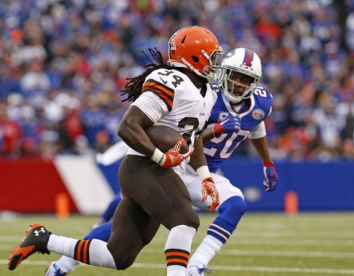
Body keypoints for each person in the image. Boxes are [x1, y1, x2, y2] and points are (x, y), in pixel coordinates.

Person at [8, 26, 222, 276]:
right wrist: (160, 156)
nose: (215, 64)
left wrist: (205, 176)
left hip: (160, 171)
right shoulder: (172, 81)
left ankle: (44, 239)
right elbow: (128, 126)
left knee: (118, 255)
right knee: (185, 221)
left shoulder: (208, 93)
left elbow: (192, 140)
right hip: (144, 167)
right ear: (193, 57)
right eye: (212, 57)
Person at [44, 48, 278, 276]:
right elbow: (187, 138)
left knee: (235, 204)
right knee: (132, 228)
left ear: (255, 83)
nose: (238, 84)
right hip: (173, 165)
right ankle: (64, 263)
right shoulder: (207, 93)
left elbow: (255, 124)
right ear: (223, 73)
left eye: (245, 79)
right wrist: (215, 129)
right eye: (234, 76)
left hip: (202, 171)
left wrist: (267, 161)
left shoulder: (261, 104)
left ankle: (195, 266)